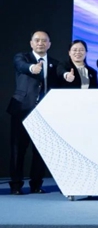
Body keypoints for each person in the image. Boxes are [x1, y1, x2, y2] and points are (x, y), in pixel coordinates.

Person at [6, 31, 60, 195]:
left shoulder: (55, 63)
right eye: (37, 40)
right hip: (22, 110)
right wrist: (32, 68)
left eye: (44, 41)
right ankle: (16, 185)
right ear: (31, 43)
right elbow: (21, 66)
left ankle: (36, 185)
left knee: (40, 151)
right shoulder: (22, 58)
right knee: (18, 150)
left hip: (44, 113)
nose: (40, 43)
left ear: (49, 44)